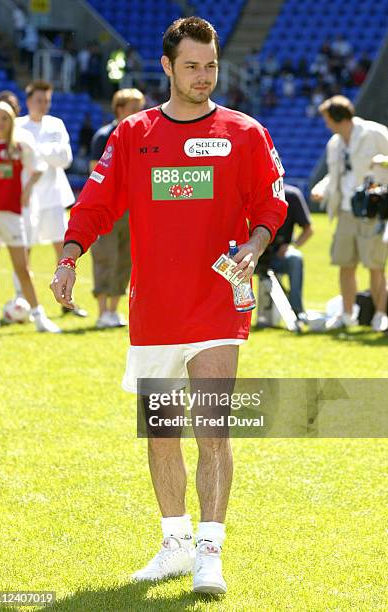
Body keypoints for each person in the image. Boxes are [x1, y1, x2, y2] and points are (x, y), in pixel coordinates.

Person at [50, 17, 287, 594]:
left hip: (217, 304)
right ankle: (175, 543)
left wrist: (254, 249)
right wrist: (68, 256)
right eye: (191, 66)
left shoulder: (244, 133)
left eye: (210, 66)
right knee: (161, 434)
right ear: (166, 67)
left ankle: (210, 550)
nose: (203, 77)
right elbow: (97, 201)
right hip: (153, 310)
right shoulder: (133, 134)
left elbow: (270, 204)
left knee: (212, 430)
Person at [311, 95, 388, 331]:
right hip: (344, 210)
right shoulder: (334, 143)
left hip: (371, 211)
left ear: (337, 118)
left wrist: (384, 162)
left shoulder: (374, 133)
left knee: (375, 265)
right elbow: (333, 175)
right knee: (345, 264)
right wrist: (322, 188)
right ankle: (346, 315)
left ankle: (380, 315)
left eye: (327, 119)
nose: (326, 125)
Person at [0, 102, 60, 334]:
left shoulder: (20, 143)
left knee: (22, 267)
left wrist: (27, 190)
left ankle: (39, 316)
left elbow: (37, 168)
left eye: (4, 118)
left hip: (12, 215)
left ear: (11, 120)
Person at [17, 80, 87, 317]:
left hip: (55, 196)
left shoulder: (56, 124)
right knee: (23, 251)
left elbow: (64, 158)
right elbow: (20, 160)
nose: (44, 104)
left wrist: (37, 151)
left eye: (47, 100)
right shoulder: (18, 127)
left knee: (63, 248)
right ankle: (21, 302)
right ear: (28, 101)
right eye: (39, 100)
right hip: (26, 198)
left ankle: (67, 300)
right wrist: (46, 153)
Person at [89, 88, 145, 328]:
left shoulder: (145, 136)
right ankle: (102, 312)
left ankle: (113, 311)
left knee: (126, 259)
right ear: (119, 109)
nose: (140, 113)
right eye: (134, 109)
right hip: (109, 209)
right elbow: (95, 172)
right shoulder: (103, 136)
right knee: (105, 256)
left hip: (135, 209)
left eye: (141, 108)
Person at [266, 183, 313, 318]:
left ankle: (297, 311)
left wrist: (292, 245)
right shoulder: (251, 192)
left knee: (295, 258)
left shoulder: (292, 196)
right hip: (249, 254)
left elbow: (308, 229)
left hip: (277, 255)